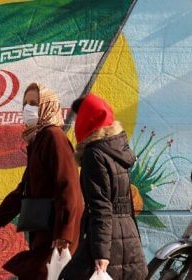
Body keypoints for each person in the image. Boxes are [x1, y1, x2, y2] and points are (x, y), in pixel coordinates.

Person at [0, 82, 84, 279]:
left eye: (34, 103)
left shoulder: (54, 137)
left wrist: (64, 233)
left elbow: (69, 187)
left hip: (56, 234)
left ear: (46, 106)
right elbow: (25, 188)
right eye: (25, 104)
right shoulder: (39, 140)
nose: (27, 109)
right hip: (45, 231)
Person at [59, 94, 148, 280]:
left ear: (86, 120)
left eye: (77, 117)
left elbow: (101, 207)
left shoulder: (94, 155)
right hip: (126, 234)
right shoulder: (117, 150)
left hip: (107, 239)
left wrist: (102, 253)